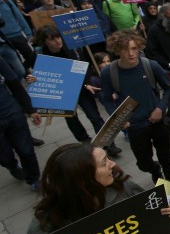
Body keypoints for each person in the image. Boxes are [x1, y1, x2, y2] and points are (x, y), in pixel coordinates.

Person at [28, 143, 170, 234]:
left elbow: (151, 228)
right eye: (104, 163)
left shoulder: (124, 187)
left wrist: (159, 216)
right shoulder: (43, 229)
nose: (112, 164)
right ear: (83, 180)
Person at [101, 29, 170, 207]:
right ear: (117, 50)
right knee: (144, 163)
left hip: (156, 122)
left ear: (139, 47)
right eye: (124, 49)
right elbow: (106, 98)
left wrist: (161, 108)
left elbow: (169, 89)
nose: (130, 53)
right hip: (134, 126)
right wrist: (118, 118)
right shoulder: (109, 73)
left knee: (166, 158)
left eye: (134, 48)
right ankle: (154, 170)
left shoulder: (150, 65)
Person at [34, 26, 122, 157]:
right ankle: (85, 141)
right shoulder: (41, 56)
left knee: (95, 116)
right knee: (72, 119)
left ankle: (108, 144)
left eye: (58, 37)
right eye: (52, 39)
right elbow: (43, 77)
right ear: (45, 42)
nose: (58, 41)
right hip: (63, 92)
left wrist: (87, 83)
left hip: (81, 88)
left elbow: (84, 65)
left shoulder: (72, 49)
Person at [0, 57, 41, 191]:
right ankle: (11, 165)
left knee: (26, 150)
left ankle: (34, 178)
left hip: (11, 112)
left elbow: (14, 84)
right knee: (4, 155)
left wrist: (30, 110)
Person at [0, 0, 35, 73]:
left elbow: (19, 17)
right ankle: (25, 74)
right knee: (15, 60)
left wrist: (28, 33)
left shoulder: (7, 1)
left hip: (17, 35)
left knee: (30, 54)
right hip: (3, 40)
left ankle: (25, 69)